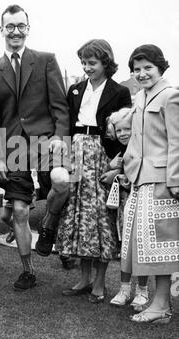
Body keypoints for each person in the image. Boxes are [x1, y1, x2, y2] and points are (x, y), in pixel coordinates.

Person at [0, 4, 70, 290]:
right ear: (1, 30)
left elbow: (60, 105)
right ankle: (28, 270)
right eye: (10, 26)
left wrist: (60, 137)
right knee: (19, 211)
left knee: (63, 182)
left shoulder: (46, 60)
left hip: (47, 141)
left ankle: (50, 224)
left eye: (21, 26)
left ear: (28, 29)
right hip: (12, 147)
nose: (15, 31)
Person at [56, 39, 132, 303]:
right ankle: (84, 279)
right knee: (76, 215)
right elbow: (66, 125)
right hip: (77, 151)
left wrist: (117, 165)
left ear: (106, 63)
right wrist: (64, 156)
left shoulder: (119, 91)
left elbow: (124, 131)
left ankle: (99, 283)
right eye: (84, 63)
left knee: (101, 219)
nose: (87, 68)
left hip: (103, 154)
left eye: (92, 63)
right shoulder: (76, 89)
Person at [122, 44, 179, 324]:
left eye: (148, 68)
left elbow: (176, 142)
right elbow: (136, 140)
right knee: (150, 247)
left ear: (160, 68)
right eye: (137, 69)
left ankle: (161, 306)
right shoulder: (140, 97)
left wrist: (176, 181)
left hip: (164, 182)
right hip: (141, 179)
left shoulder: (171, 96)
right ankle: (159, 304)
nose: (142, 73)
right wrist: (127, 169)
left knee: (163, 246)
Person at [104, 108, 149, 311]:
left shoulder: (141, 149)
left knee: (140, 247)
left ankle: (142, 291)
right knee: (125, 249)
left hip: (141, 203)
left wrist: (122, 177)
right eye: (119, 130)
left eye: (127, 129)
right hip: (124, 206)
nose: (122, 133)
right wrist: (112, 168)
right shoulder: (120, 153)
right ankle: (124, 289)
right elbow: (104, 177)